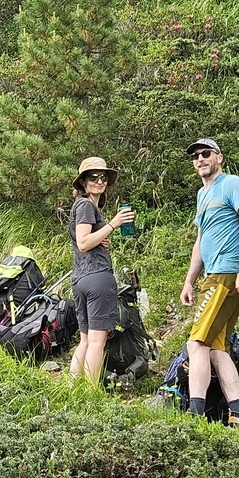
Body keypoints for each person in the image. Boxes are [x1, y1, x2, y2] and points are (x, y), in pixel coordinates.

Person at [179, 138, 239, 427]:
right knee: (217, 348)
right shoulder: (202, 194)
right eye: (195, 156)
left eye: (206, 153)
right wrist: (189, 280)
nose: (200, 159)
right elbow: (201, 241)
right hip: (214, 274)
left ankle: (195, 416)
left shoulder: (231, 184)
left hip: (225, 274)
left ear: (219, 157)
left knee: (196, 344)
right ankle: (238, 414)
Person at [67, 157, 135, 387]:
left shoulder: (85, 207)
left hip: (80, 279)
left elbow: (85, 240)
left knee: (86, 339)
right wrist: (114, 224)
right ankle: (90, 391)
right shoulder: (86, 205)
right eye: (93, 177)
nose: (99, 181)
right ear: (83, 182)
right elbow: (84, 242)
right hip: (97, 278)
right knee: (98, 339)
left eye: (103, 177)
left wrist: (103, 235)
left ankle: (72, 387)